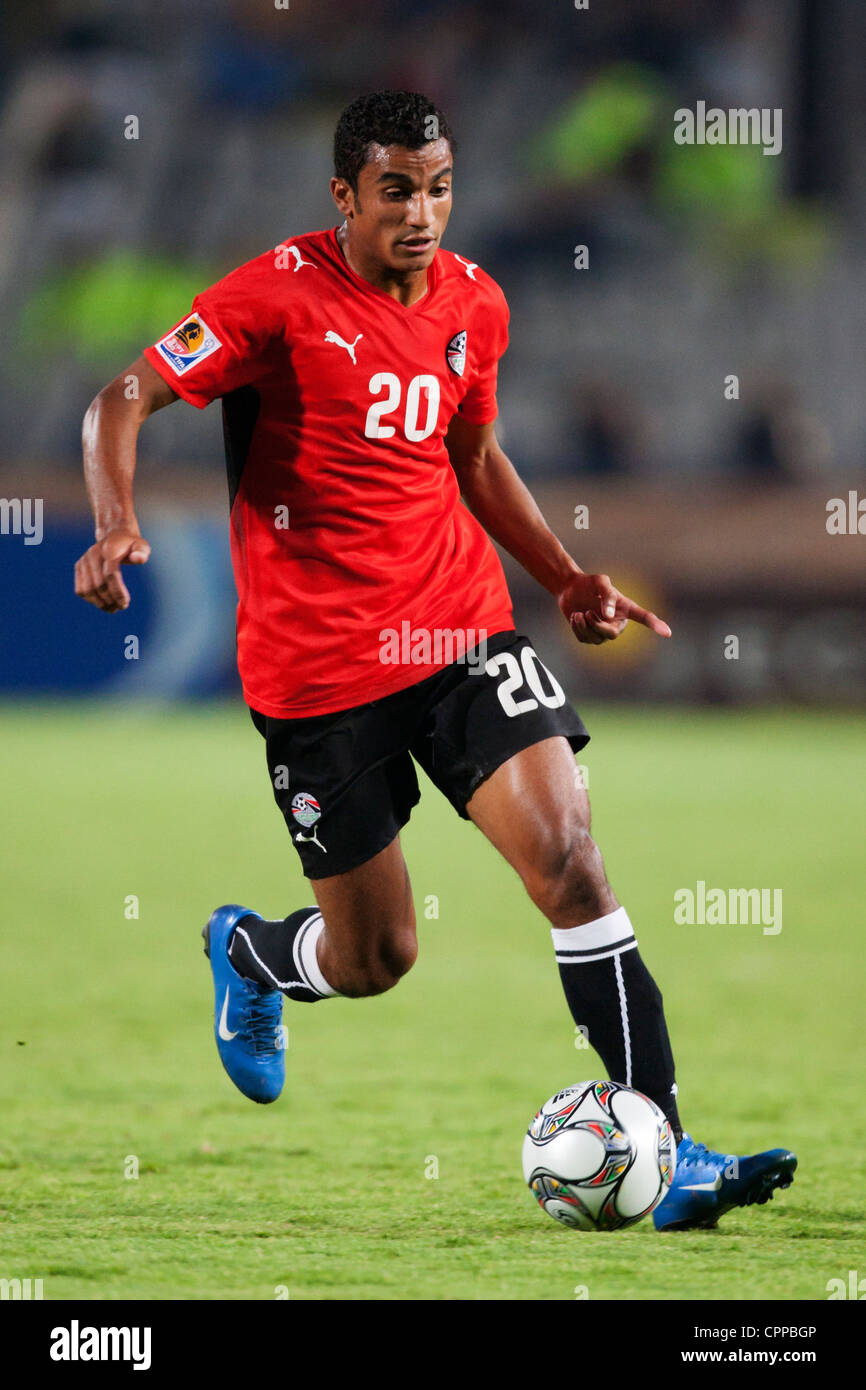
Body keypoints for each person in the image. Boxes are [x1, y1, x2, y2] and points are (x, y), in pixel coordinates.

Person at [74, 90, 795, 1231]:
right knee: (374, 958)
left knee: (570, 863)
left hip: (459, 633)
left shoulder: (475, 304)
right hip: (316, 675)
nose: (422, 212)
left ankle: (664, 1142)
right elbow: (121, 397)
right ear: (344, 196)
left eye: (439, 185)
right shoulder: (273, 296)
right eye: (397, 189)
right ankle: (254, 957)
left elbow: (475, 453)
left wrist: (561, 576)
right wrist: (113, 520)